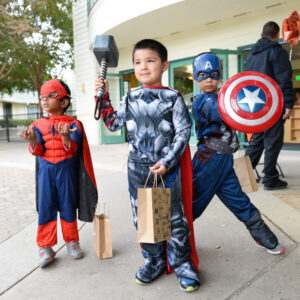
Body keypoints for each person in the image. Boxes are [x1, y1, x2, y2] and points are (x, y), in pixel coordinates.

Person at [94, 39, 200, 292]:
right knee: (146, 220)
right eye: (138, 62)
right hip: (137, 169)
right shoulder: (130, 97)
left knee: (173, 220)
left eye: (150, 61)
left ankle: (182, 265)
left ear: (164, 65)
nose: (143, 67)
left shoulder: (173, 97)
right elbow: (112, 124)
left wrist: (167, 161)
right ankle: (153, 261)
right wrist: (103, 97)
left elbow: (184, 133)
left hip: (165, 170)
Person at [191, 52, 285, 256]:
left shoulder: (226, 96)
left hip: (224, 160)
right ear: (195, 78)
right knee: (192, 203)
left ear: (220, 75)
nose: (208, 79)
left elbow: (241, 112)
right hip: (208, 159)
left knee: (238, 200)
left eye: (213, 74)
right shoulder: (201, 102)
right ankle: (174, 241)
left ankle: (263, 236)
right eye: (202, 74)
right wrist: (242, 97)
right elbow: (225, 111)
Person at [19, 79, 98, 267]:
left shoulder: (74, 124)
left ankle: (71, 241)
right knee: (46, 207)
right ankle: (45, 245)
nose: (45, 99)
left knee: (68, 205)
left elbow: (74, 150)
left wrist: (65, 137)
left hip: (67, 171)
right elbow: (38, 151)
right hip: (46, 172)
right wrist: (32, 142)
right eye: (42, 96)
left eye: (51, 95)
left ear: (64, 102)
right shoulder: (37, 124)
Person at [245, 21, 294, 190]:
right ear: (277, 35)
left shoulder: (251, 55)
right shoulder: (276, 51)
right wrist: (288, 103)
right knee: (272, 142)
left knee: (256, 141)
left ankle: (243, 177)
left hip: (255, 104)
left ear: (261, 35)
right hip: (273, 104)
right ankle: (270, 179)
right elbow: (284, 79)